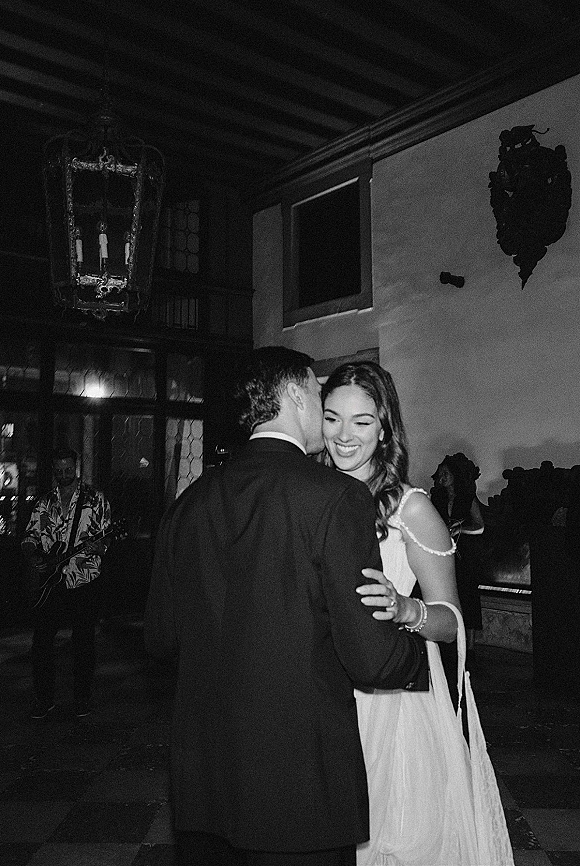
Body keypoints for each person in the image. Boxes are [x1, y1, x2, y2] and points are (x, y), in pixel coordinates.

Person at [144, 346, 428, 866]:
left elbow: (161, 640)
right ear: (297, 393)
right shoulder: (336, 498)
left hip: (204, 780)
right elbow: (371, 658)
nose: (323, 407)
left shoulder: (188, 503)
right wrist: (422, 660)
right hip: (298, 785)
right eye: (319, 393)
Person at [321, 361, 514, 866]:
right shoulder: (309, 495)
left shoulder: (411, 509)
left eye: (361, 422)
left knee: (395, 837)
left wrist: (405, 608)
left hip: (392, 701)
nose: (344, 436)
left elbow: (451, 621)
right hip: (321, 694)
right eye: (332, 418)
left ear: (384, 429)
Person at [21, 447, 111, 720]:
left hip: (83, 579)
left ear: (76, 467)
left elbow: (107, 537)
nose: (63, 475)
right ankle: (44, 699)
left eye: (68, 470)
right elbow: (30, 535)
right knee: (41, 643)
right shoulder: (44, 502)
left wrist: (100, 546)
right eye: (58, 471)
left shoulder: (95, 499)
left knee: (83, 642)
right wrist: (32, 556)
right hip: (51, 582)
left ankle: (82, 699)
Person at [431, 452, 486, 662]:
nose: (442, 477)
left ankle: (469, 648)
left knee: (468, 593)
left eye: (446, 473)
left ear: (455, 475)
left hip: (465, 554)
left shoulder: (467, 498)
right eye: (440, 473)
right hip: (444, 553)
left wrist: (458, 530)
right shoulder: (436, 497)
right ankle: (447, 640)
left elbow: (480, 527)